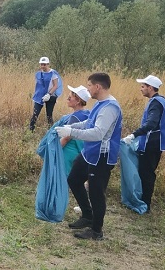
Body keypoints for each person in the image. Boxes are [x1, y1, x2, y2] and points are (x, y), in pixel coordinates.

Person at [55, 73, 122, 240]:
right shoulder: (100, 104)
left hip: (101, 156)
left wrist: (71, 132)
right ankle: (87, 215)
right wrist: (70, 125)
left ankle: (96, 231)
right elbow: (89, 123)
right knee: (74, 179)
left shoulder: (109, 108)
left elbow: (98, 133)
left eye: (89, 86)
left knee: (96, 192)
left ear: (98, 87)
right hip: (89, 152)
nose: (88, 89)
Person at [122, 75, 165, 213]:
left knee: (146, 174)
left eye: (143, 86)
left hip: (151, 144)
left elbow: (151, 123)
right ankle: (144, 202)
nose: (141, 89)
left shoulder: (156, 103)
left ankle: (145, 205)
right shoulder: (161, 100)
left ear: (150, 88)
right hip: (157, 143)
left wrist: (134, 135)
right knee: (147, 172)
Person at [60, 85, 91, 177]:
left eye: (70, 98)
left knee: (65, 177)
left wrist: (55, 150)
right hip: (82, 151)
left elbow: (66, 138)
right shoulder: (87, 113)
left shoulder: (75, 117)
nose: (67, 99)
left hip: (70, 152)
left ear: (78, 101)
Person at [30, 57, 61, 132]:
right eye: (41, 64)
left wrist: (49, 94)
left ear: (48, 64)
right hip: (39, 97)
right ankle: (30, 131)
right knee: (35, 114)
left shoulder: (53, 73)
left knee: (49, 115)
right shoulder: (38, 74)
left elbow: (56, 85)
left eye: (44, 64)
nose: (43, 66)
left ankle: (51, 132)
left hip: (50, 96)